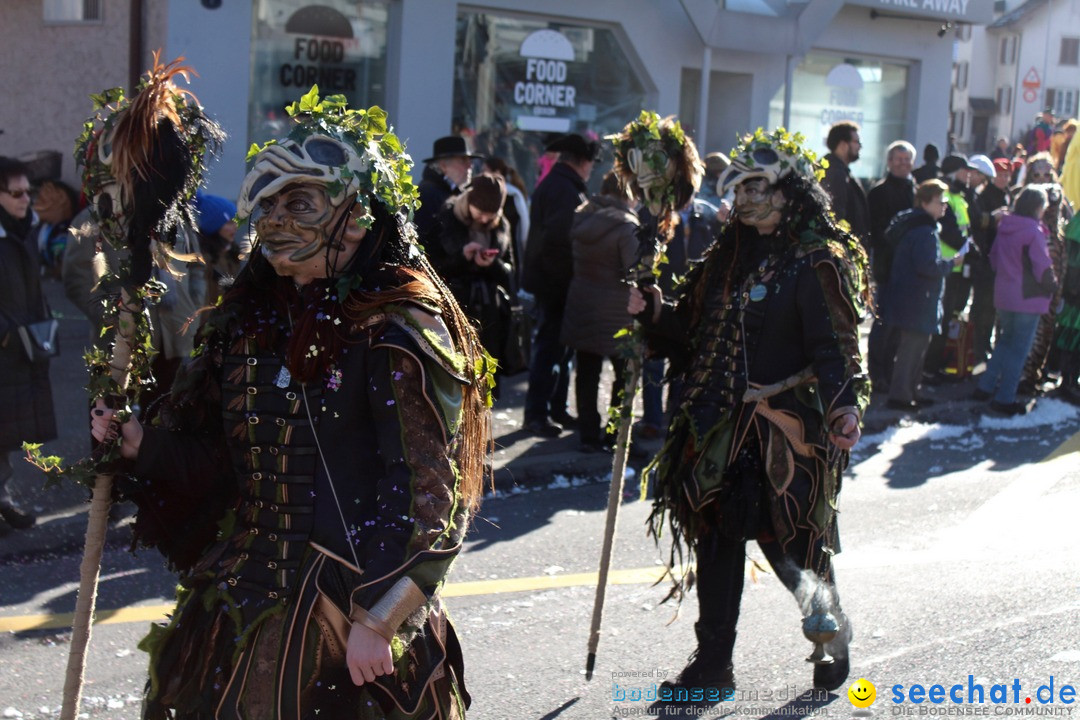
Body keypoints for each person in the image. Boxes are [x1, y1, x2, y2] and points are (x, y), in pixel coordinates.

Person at [90, 96, 488, 718]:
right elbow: (228, 465)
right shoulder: (248, 323)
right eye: (268, 206)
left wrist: (378, 618)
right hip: (238, 603)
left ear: (357, 216)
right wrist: (146, 445)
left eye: (300, 203)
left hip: (344, 611)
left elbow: (428, 492)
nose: (276, 221)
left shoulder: (396, 328)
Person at [629, 129, 869, 696]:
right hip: (717, 429)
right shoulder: (726, 259)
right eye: (738, 188)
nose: (745, 198)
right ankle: (713, 664)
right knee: (714, 539)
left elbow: (835, 348)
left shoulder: (816, 262)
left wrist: (844, 409)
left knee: (789, 545)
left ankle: (829, 634)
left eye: (758, 185)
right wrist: (654, 312)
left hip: (784, 433)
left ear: (791, 191)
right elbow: (688, 337)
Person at [521, 133, 600, 437]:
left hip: (554, 283)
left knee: (560, 352)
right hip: (557, 286)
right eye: (591, 162)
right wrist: (568, 279)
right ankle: (538, 413)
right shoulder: (564, 189)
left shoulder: (560, 185)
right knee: (550, 351)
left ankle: (554, 408)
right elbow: (558, 242)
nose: (592, 168)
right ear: (581, 161)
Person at [560, 171, 639, 452]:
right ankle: (615, 433)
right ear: (626, 193)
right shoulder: (626, 226)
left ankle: (588, 433)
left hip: (582, 302)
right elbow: (635, 270)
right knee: (624, 373)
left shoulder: (582, 217)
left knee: (587, 372)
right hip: (617, 310)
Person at [0, 157, 55, 533]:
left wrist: (42, 327)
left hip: (21, 345)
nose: (26, 200)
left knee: (5, 430)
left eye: (28, 192)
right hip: (7, 340)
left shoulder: (25, 231)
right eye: (16, 193)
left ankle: (2, 498)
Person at [428, 173, 514, 396]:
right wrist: (462, 258)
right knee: (457, 375)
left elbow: (510, 273)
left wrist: (492, 264)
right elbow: (432, 267)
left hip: (489, 311)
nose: (485, 220)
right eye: (480, 213)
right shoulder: (448, 217)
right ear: (470, 203)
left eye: (491, 216)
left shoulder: (501, 225)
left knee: (485, 383)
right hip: (456, 305)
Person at [974, 186, 1055, 415]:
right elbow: (1042, 266)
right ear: (1038, 207)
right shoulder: (1034, 231)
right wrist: (1053, 286)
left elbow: (994, 259)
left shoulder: (1005, 226)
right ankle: (1005, 398)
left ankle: (985, 386)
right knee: (1019, 350)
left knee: (1004, 342)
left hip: (1004, 294)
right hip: (1028, 299)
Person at [882, 180, 961, 411]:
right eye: (940, 201)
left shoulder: (913, 223)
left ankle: (910, 392)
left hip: (910, 297)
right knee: (912, 350)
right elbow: (928, 267)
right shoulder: (925, 230)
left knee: (913, 348)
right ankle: (901, 396)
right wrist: (952, 264)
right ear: (925, 202)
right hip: (918, 299)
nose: (945, 206)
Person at [1017, 155, 1072, 394]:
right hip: (1028, 284)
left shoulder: (1059, 200)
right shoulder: (1023, 200)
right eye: (1036, 175)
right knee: (1025, 332)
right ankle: (1018, 376)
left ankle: (1032, 375)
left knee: (1045, 330)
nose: (1041, 180)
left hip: (1053, 281)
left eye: (1046, 175)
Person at [866, 140, 916, 388]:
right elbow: (876, 231)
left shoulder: (914, 189)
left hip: (910, 269)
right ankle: (877, 373)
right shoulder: (879, 191)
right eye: (898, 160)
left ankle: (891, 369)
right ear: (889, 162)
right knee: (884, 321)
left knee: (900, 324)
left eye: (907, 160)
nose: (903, 164)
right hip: (887, 267)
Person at [415, 135, 481, 242]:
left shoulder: (457, 193)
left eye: (470, 160)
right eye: (463, 160)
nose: (470, 166)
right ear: (443, 166)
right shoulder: (427, 194)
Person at [821, 121, 870, 247]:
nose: (860, 147)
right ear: (843, 145)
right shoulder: (835, 173)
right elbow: (836, 214)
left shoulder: (840, 171)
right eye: (856, 142)